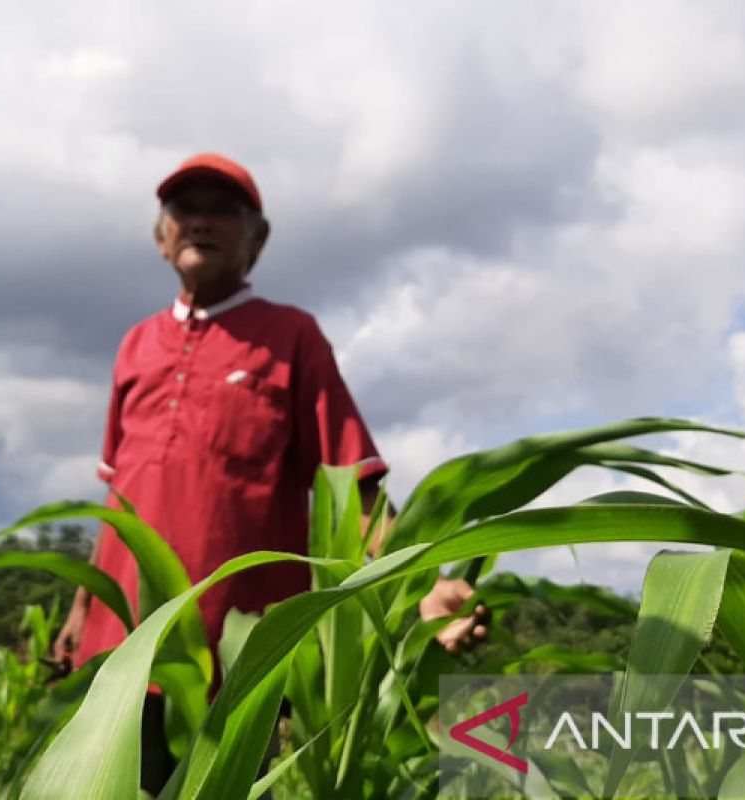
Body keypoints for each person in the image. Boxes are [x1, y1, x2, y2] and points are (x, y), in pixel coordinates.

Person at [54, 153, 486, 790]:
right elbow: (119, 496)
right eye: (185, 209)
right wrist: (79, 609)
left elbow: (352, 484)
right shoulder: (134, 345)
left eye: (224, 210)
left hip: (233, 657)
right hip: (117, 654)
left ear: (258, 238)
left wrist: (421, 583)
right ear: (160, 235)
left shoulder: (291, 336)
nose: (201, 222)